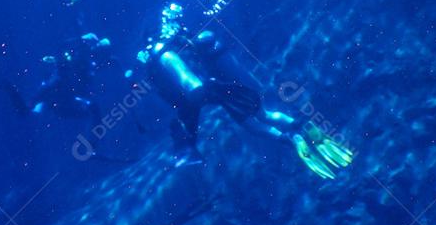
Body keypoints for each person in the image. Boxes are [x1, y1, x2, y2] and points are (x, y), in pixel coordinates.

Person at [135, 22, 354, 179]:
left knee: (252, 126)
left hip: (232, 92)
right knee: (266, 114)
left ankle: (291, 138)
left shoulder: (165, 56)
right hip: (247, 85)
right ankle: (301, 125)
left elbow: (192, 85)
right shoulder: (197, 47)